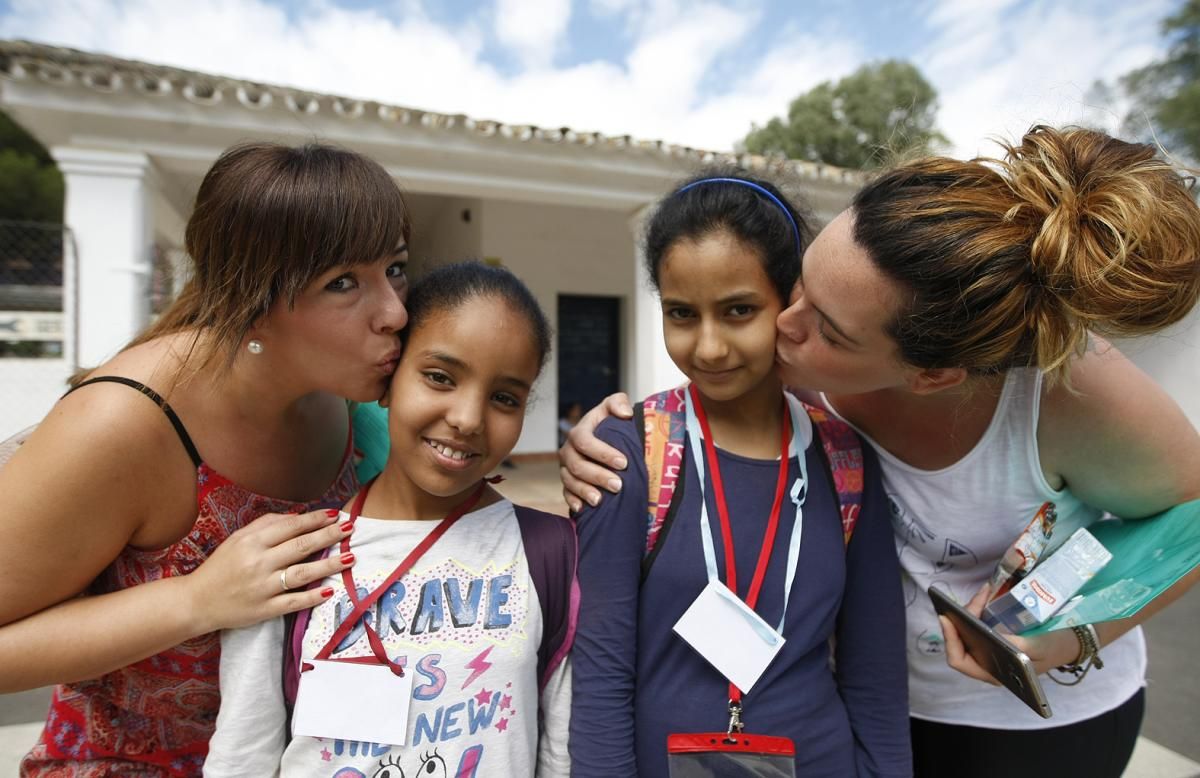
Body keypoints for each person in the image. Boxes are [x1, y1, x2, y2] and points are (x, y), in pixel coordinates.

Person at [560, 126, 1200, 778]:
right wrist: (607, 435)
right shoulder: (799, 355)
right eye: (802, 284)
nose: (784, 323)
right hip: (882, 712)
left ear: (931, 374)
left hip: (1033, 726)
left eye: (825, 327)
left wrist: (1074, 635)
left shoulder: (1071, 394)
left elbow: (1193, 513)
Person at [0, 141, 411, 776]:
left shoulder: (346, 393)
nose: (395, 312)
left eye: (396, 269)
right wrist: (195, 600)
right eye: (343, 282)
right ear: (251, 295)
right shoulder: (122, 425)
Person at [568, 173, 911, 777]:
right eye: (681, 313)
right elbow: (601, 671)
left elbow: (876, 671)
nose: (709, 347)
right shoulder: (631, 453)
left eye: (738, 311)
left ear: (790, 302)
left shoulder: (845, 461)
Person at [204, 261, 575, 778]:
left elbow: (561, 756)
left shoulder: (552, 553)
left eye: (504, 398)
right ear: (387, 380)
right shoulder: (292, 554)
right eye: (440, 377)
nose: (468, 418)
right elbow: (241, 759)